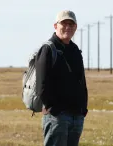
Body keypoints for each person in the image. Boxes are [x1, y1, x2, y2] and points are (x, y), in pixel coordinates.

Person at [35, 10, 88, 146]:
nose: (68, 27)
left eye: (71, 24)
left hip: (76, 117)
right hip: (57, 118)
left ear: (75, 27)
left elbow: (81, 81)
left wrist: (82, 110)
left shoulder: (75, 50)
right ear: (55, 26)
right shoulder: (48, 49)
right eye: (64, 23)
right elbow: (41, 85)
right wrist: (55, 110)